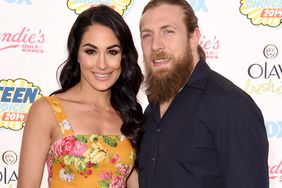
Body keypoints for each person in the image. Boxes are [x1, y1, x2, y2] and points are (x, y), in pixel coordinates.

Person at [138, 0, 269, 188]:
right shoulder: (151, 110)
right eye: (147, 35)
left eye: (168, 31)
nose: (156, 45)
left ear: (193, 38)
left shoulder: (231, 105)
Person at [18, 5, 143, 188]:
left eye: (112, 52)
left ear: (123, 57)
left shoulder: (129, 115)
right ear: (77, 53)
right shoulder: (47, 111)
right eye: (91, 51)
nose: (102, 64)